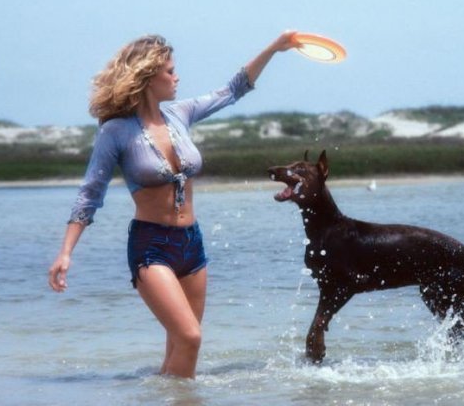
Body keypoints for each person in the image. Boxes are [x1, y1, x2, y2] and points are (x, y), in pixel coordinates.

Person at [48, 31, 299, 379]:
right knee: (190, 337)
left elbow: (233, 89)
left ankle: (172, 398)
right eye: (170, 71)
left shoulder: (181, 114)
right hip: (151, 247)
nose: (176, 77)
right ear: (148, 76)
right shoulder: (115, 132)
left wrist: (274, 48)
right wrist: (65, 252)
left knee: (179, 347)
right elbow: (90, 193)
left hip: (191, 245)